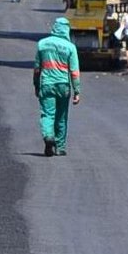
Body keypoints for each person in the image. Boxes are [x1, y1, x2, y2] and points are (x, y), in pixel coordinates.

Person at [34, 16, 82, 156]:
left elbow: (37, 69)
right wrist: (77, 91)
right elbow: (74, 71)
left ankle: (48, 136)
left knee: (48, 114)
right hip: (63, 86)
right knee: (61, 116)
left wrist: (36, 85)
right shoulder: (70, 47)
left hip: (47, 84)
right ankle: (60, 147)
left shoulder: (42, 44)